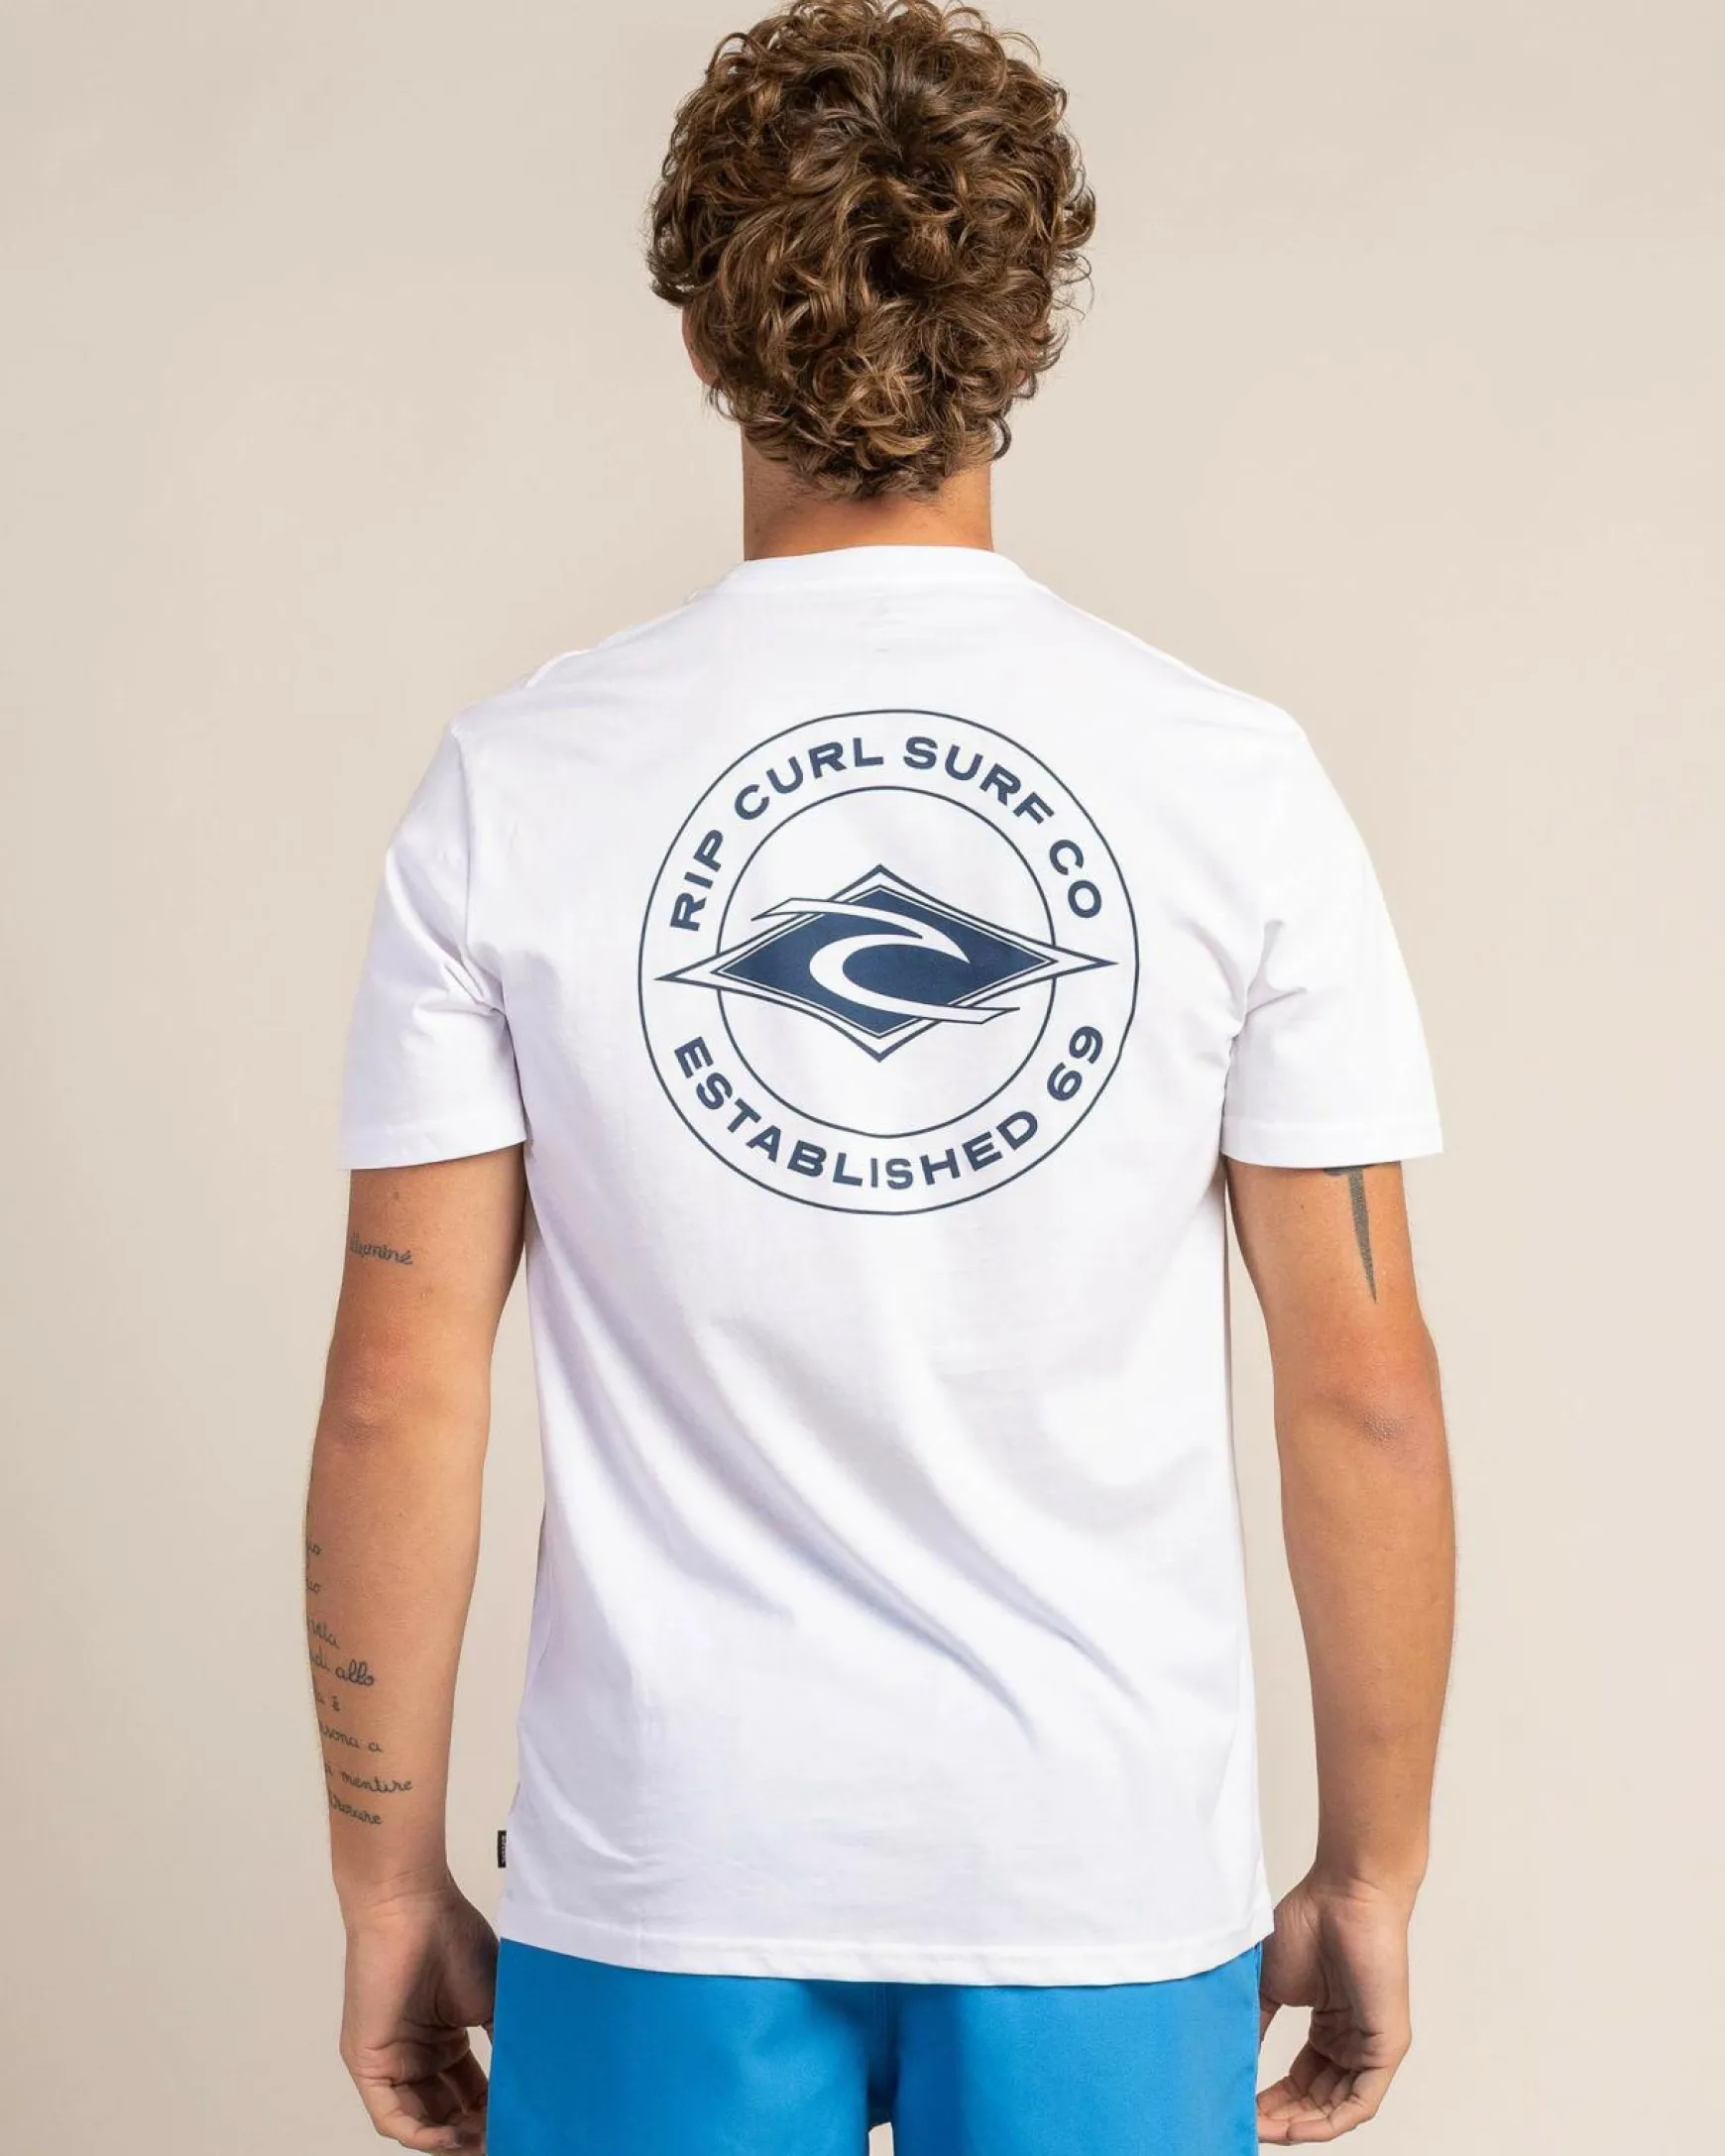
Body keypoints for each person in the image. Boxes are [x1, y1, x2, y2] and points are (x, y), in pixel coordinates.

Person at [304, 2, 1454, 2149]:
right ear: (1023, 331)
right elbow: (1364, 1387)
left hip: (665, 1870)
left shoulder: (520, 786)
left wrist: (384, 1887)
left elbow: (399, 1392)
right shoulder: (1231, 786)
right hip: (1100, 1867)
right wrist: (1372, 1873)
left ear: (701, 334)